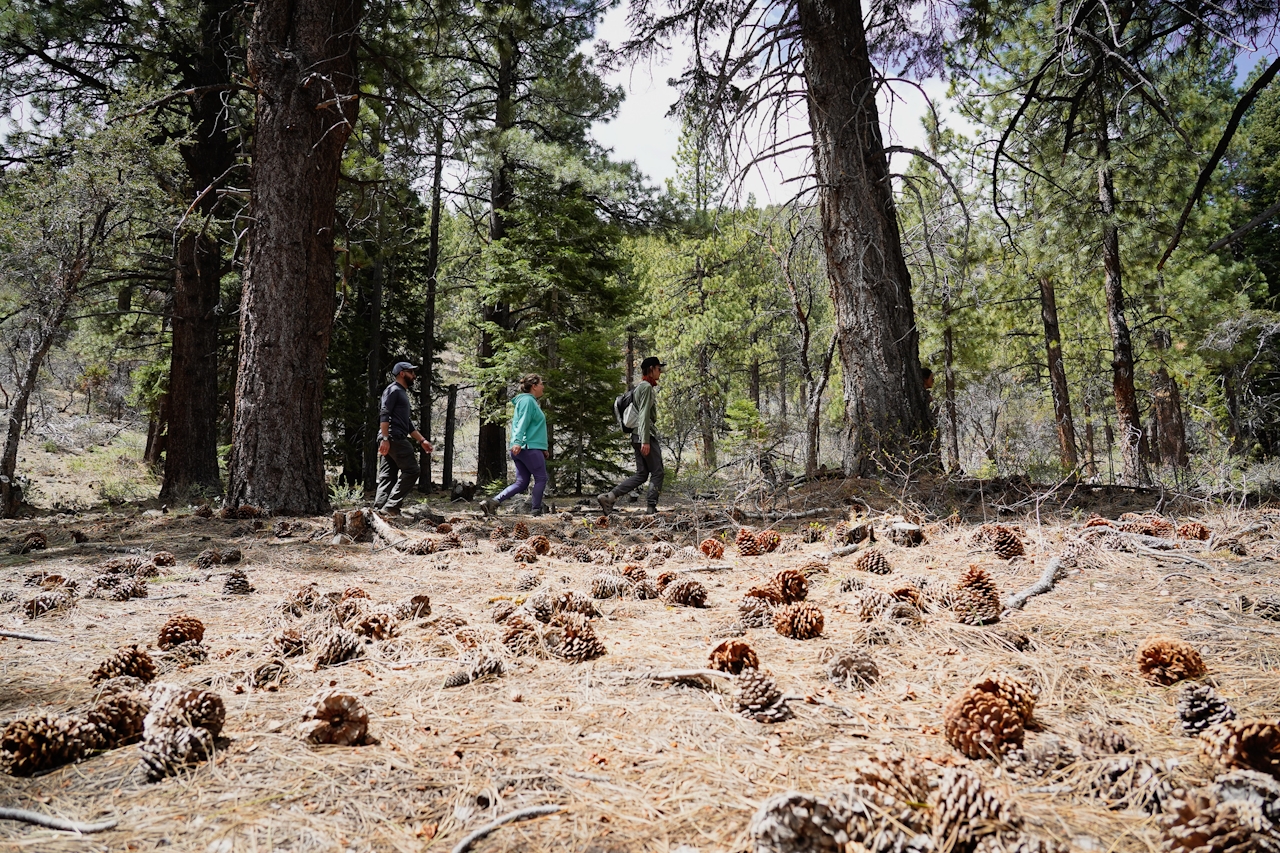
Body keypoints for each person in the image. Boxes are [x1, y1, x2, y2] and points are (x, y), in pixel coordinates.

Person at [598, 356, 665, 515]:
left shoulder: (640, 387)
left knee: (642, 474)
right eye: (658, 368)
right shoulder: (646, 388)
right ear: (651, 369)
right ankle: (651, 507)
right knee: (658, 472)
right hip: (644, 436)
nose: (660, 372)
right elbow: (643, 415)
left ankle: (610, 497)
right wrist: (646, 440)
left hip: (636, 436)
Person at [479, 374, 549, 517]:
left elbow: (533, 427)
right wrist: (517, 441)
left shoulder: (528, 401)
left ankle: (493, 503)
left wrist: (542, 447)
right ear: (534, 386)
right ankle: (536, 511)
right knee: (541, 478)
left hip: (527, 447)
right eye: (541, 384)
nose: (543, 386)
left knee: (522, 482)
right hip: (527, 447)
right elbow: (523, 422)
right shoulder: (528, 401)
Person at [374, 362, 434, 515]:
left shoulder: (401, 392)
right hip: (394, 437)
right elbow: (384, 414)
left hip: (392, 437)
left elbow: (407, 423)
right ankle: (391, 507)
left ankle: (379, 510)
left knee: (388, 476)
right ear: (402, 373)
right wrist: (385, 437)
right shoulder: (393, 390)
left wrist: (422, 441)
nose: (414, 376)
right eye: (411, 372)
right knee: (412, 471)